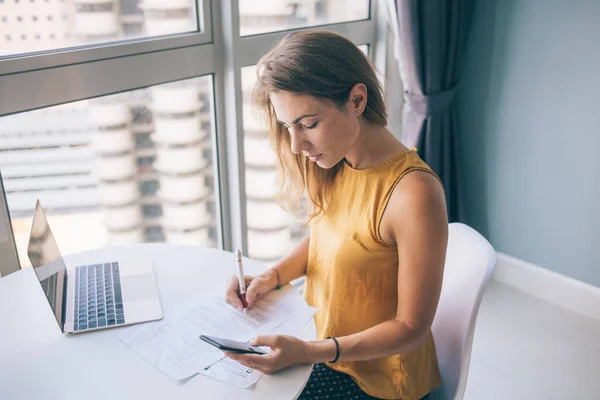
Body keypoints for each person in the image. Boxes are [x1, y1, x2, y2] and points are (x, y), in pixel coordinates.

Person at [224, 30, 448, 400]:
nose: (296, 145)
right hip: (324, 350)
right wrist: (271, 276)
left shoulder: (414, 194)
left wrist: (310, 351)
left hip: (378, 381)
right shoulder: (339, 162)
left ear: (356, 99)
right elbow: (332, 237)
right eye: (287, 127)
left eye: (308, 124)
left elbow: (411, 327)